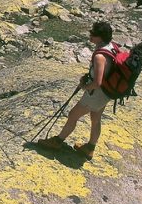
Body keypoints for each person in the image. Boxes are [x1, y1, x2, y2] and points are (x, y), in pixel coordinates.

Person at [37, 21, 115, 160]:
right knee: (95, 119)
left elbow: (97, 82)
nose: (90, 35)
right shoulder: (111, 47)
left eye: (93, 34)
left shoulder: (99, 56)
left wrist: (85, 86)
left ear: (100, 37)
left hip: (96, 94)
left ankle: (57, 141)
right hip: (106, 93)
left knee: (73, 115)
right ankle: (90, 148)